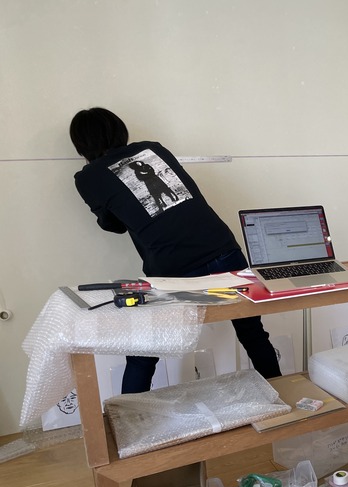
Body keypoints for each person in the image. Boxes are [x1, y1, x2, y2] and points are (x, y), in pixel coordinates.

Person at [69, 107, 281, 392]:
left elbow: (113, 225)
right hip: (225, 251)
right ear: (119, 130)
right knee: (253, 333)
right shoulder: (153, 149)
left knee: (143, 352)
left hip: (173, 270)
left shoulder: (88, 177)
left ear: (81, 144)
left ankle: (127, 415)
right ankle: (284, 397)